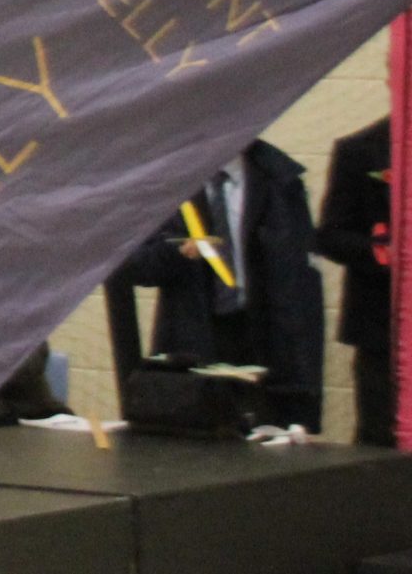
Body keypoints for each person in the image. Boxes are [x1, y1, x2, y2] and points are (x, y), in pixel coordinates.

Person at [116, 138, 325, 432]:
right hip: (194, 334)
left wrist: (303, 372)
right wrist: (175, 251)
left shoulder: (279, 180)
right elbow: (134, 265)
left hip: (262, 333)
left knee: (265, 438)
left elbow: (299, 277)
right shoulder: (171, 182)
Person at [314, 116, 394, 446]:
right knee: (381, 436)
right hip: (382, 329)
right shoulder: (360, 149)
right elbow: (329, 236)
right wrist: (380, 252)